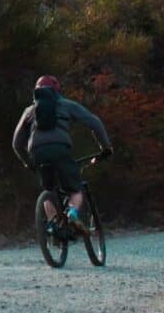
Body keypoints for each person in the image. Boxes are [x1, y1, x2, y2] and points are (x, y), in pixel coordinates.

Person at [13, 75, 112, 235]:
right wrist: (105, 147)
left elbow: (17, 144)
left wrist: (28, 163)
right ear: (57, 90)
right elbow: (95, 123)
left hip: (37, 151)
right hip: (60, 149)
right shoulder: (67, 104)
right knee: (75, 189)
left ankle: (53, 224)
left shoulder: (29, 111)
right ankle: (72, 214)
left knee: (48, 189)